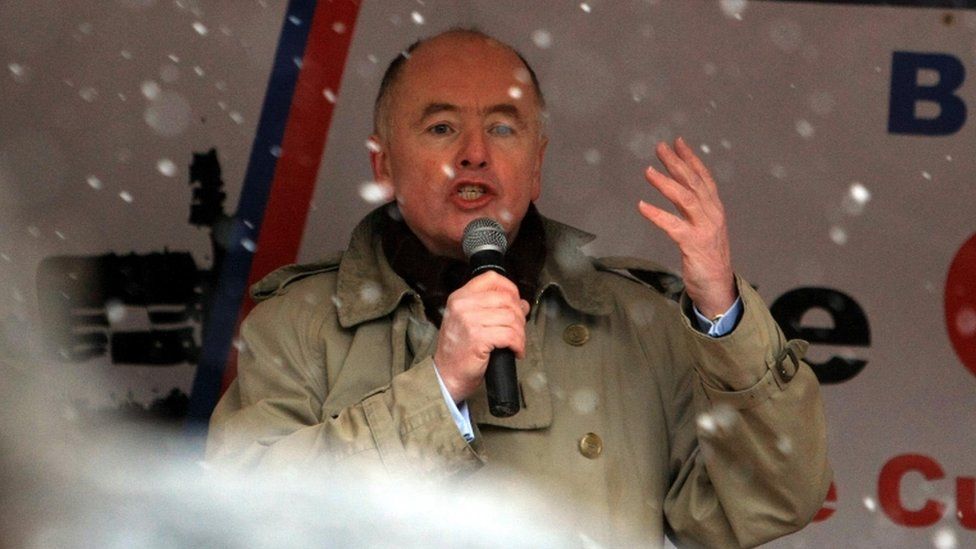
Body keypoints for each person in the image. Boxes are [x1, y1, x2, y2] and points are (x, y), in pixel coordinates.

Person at [206, 29, 831, 547]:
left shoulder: (638, 320)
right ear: (383, 164)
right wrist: (438, 391)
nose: (475, 153)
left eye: (503, 129)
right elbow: (243, 516)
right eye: (442, 127)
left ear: (537, 164)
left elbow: (768, 501)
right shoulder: (299, 324)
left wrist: (722, 310)